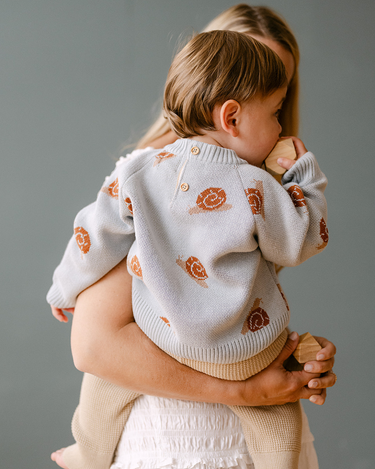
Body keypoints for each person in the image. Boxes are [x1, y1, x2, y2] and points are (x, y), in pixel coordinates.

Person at [51, 4, 337, 469]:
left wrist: (62, 287)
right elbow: (94, 346)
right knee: (278, 419)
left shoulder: (142, 175)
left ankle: (86, 452)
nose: (277, 118)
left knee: (100, 395)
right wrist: (305, 182)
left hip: (170, 338)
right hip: (181, 435)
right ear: (230, 114)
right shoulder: (259, 189)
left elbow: (90, 233)